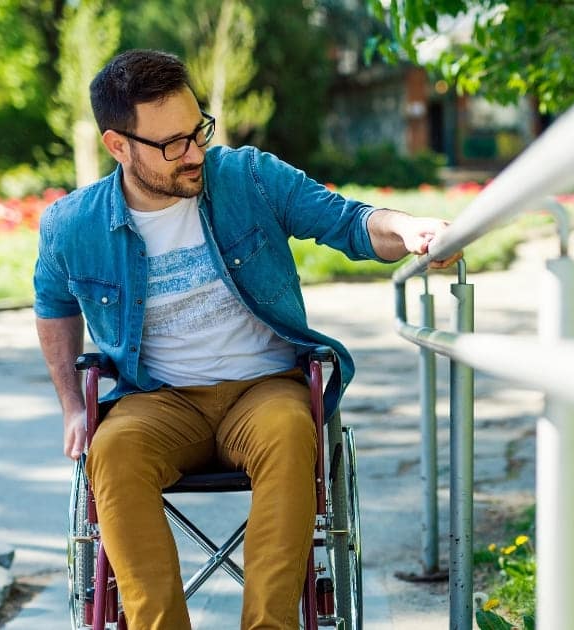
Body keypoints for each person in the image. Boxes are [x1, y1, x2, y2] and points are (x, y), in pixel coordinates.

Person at [33, 49, 460, 630]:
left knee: (290, 431)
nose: (194, 154)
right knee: (112, 450)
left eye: (197, 131)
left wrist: (408, 228)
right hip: (157, 399)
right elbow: (53, 305)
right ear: (118, 145)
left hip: (263, 390)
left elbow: (349, 221)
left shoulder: (248, 177)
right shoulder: (72, 225)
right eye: (171, 145)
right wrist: (68, 406)